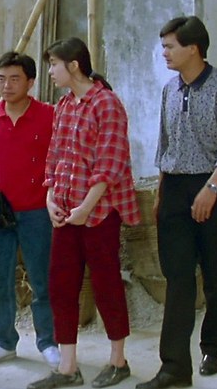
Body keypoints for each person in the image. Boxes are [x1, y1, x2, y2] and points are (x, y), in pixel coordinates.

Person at [136, 16, 217, 389]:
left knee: (214, 273)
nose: (164, 53)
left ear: (193, 48)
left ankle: (213, 347)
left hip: (214, 186)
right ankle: (174, 367)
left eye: (170, 46)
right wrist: (162, 191)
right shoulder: (169, 89)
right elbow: (164, 143)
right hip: (175, 189)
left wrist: (211, 188)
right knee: (178, 278)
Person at [27, 37, 141, 389]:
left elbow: (111, 163)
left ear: (74, 65)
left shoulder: (106, 103)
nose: (50, 71)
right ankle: (68, 367)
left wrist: (85, 208)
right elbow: (54, 156)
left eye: (53, 64)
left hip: (100, 212)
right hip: (65, 213)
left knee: (107, 284)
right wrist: (50, 198)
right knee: (61, 286)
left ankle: (118, 360)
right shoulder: (64, 105)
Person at [0, 52, 61, 369]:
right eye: (1, 79)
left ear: (31, 82)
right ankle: (4, 341)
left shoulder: (49, 115)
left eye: (14, 79)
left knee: (42, 280)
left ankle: (48, 342)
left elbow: (60, 158)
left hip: (38, 211)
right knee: (0, 281)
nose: (7, 85)